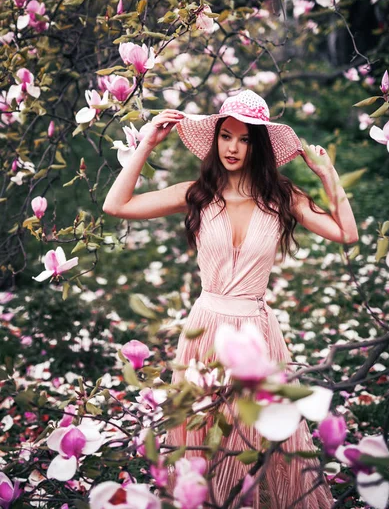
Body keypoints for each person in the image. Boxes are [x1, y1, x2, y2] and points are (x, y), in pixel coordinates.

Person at [103, 90, 359, 509]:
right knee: (207, 443)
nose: (232, 147)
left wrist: (328, 175)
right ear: (216, 140)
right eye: (226, 136)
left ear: (257, 145)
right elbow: (117, 205)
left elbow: (346, 234)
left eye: (243, 138)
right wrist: (146, 143)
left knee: (257, 442)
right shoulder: (197, 194)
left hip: (257, 336)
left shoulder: (282, 198)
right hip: (204, 334)